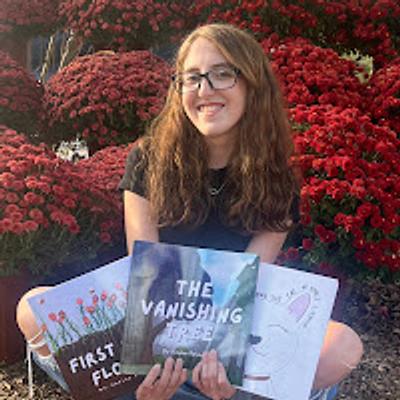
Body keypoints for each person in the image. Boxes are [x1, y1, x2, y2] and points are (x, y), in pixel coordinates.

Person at [17, 23, 363, 400]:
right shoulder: (148, 160)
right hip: (153, 325)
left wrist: (225, 366)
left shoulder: (276, 178)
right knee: (31, 309)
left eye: (222, 74)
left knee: (341, 348)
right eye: (192, 77)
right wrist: (149, 362)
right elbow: (146, 278)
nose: (205, 89)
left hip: (231, 331)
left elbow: (247, 291)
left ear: (253, 84)